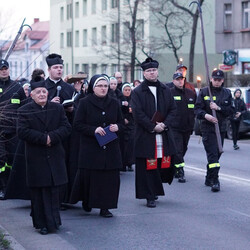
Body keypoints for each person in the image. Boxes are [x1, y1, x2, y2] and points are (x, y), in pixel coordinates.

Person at [17, 79, 71, 235]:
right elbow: (22, 131)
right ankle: (42, 224)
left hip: (54, 155)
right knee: (39, 192)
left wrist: (51, 137)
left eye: (44, 92)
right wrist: (43, 139)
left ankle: (54, 221)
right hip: (36, 158)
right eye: (38, 92)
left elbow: (66, 127)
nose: (42, 94)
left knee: (54, 191)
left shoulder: (57, 108)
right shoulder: (25, 110)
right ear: (32, 95)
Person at [70, 74, 124, 218]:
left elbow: (122, 123)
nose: (103, 88)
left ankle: (105, 207)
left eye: (105, 86)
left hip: (110, 147)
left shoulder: (114, 103)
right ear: (93, 88)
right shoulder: (84, 102)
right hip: (91, 148)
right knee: (91, 178)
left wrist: (117, 127)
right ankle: (87, 201)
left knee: (109, 179)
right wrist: (93, 130)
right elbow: (77, 124)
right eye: (100, 86)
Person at [131, 57, 176, 208]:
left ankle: (155, 189)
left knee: (159, 164)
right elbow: (137, 113)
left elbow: (172, 110)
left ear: (157, 72)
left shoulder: (165, 90)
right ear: (144, 73)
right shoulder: (137, 92)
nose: (152, 73)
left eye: (154, 70)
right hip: (146, 134)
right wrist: (152, 126)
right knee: (147, 165)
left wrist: (164, 124)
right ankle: (149, 195)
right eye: (149, 71)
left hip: (163, 133)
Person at [194, 69, 234, 192]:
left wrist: (218, 108)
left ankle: (209, 175)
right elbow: (197, 110)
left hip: (220, 128)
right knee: (212, 155)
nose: (217, 82)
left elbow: (231, 111)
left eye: (219, 80)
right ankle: (215, 180)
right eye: (215, 80)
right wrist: (207, 116)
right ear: (211, 79)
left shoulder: (227, 93)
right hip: (207, 128)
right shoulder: (205, 92)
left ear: (222, 80)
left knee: (218, 153)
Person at [0, 59, 26, 200]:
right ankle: (2, 187)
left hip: (14, 130)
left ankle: (11, 187)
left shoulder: (17, 87)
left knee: (12, 159)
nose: (4, 71)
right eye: (1, 69)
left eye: (6, 68)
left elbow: (25, 107)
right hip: (0, 131)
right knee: (1, 160)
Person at [170, 72, 196, 183]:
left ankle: (175, 166)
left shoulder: (190, 93)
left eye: (182, 79)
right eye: (178, 79)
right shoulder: (169, 93)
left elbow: (195, 108)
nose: (180, 81)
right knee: (178, 150)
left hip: (188, 127)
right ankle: (180, 171)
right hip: (175, 127)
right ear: (173, 81)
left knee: (184, 149)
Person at [121, 82, 135, 172]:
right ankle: (123, 164)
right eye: (125, 90)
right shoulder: (120, 100)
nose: (127, 91)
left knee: (131, 145)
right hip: (123, 125)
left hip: (132, 124)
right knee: (124, 145)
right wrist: (123, 119)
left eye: (129, 90)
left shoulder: (133, 100)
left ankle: (130, 163)